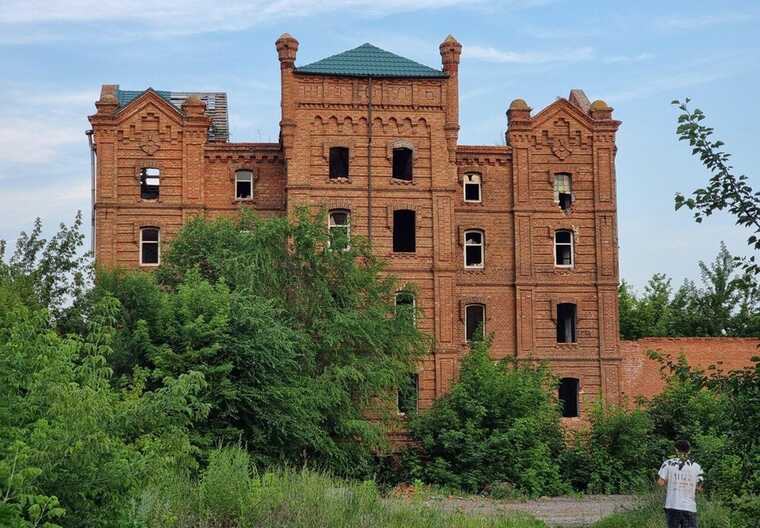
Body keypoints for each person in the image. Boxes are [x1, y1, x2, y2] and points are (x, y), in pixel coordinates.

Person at [657, 439, 704, 528]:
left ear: (676, 450)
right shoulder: (697, 467)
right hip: (689, 507)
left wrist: (671, 480)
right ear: (689, 451)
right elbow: (700, 488)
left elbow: (660, 483)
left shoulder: (668, 463)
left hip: (672, 505)